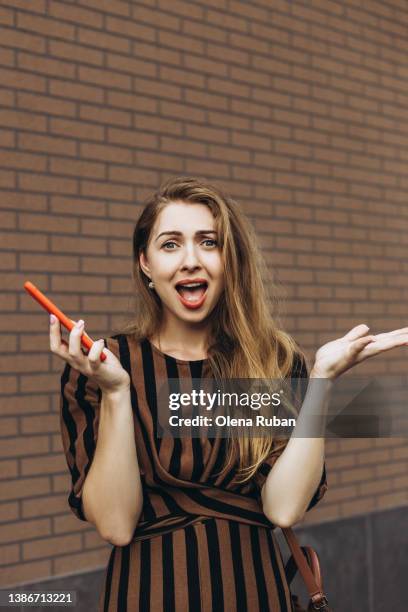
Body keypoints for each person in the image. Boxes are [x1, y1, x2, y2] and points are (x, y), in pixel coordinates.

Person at [51, 176, 408, 611]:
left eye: (208, 242)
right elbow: (116, 524)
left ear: (229, 259)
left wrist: (322, 381)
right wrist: (117, 392)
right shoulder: (104, 366)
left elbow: (283, 508)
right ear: (145, 263)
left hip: (255, 593)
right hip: (147, 596)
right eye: (170, 244)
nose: (190, 261)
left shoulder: (272, 360)